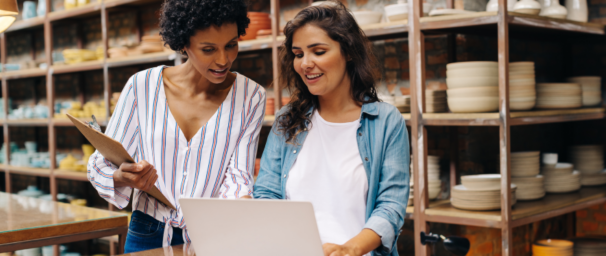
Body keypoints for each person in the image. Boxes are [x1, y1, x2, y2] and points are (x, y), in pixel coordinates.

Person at [87, 0, 265, 253]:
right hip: (147, 230)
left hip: (212, 235)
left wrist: (244, 209)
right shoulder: (142, 86)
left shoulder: (251, 96)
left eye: (231, 45)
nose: (224, 59)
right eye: (208, 49)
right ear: (183, 43)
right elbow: (101, 163)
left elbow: (238, 177)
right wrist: (122, 176)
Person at [252, 2, 410, 256]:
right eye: (299, 54)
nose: (305, 63)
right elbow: (267, 193)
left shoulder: (386, 122)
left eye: (318, 51)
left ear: (347, 52)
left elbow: (390, 207)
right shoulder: (287, 120)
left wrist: (349, 249)